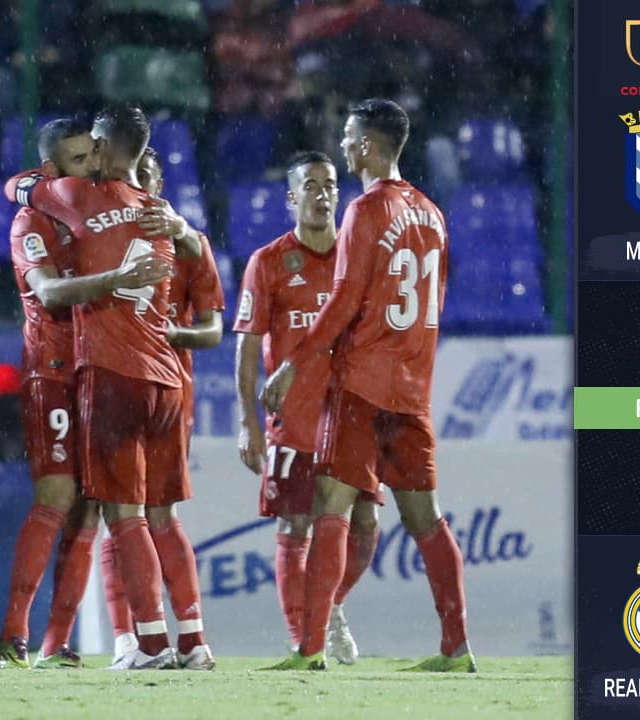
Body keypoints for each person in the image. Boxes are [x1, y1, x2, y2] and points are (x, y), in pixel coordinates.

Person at [261, 99, 473, 672]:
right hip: (413, 388)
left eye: (350, 136)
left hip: (362, 383)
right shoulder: (432, 214)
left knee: (331, 507)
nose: (344, 143)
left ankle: (308, 650)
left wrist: (293, 364)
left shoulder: (365, 210)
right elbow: (436, 304)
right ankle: (456, 648)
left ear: (367, 147)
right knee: (426, 518)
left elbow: (343, 300)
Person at [4, 104, 202, 670]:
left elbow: (14, 186)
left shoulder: (75, 199)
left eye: (93, 149)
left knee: (124, 516)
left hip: (111, 375)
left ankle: (149, 643)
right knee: (154, 517)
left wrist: (41, 182)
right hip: (168, 380)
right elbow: (205, 269)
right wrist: (185, 229)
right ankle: (190, 641)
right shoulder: (162, 215)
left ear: (107, 149)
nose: (87, 160)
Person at [233, 150, 380, 664]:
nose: (322, 194)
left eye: (330, 184)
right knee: (295, 525)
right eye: (310, 186)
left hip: (351, 413)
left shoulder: (359, 259)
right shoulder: (269, 262)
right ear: (292, 197)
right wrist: (249, 422)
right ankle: (305, 642)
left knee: (365, 525)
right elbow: (248, 345)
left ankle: (328, 607)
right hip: (293, 416)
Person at [98, 147, 222, 670]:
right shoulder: (113, 234)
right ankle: (136, 639)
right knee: (131, 518)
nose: (139, 193)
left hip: (165, 392)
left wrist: (172, 334)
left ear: (161, 183)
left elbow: (214, 330)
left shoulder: (186, 242)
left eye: (146, 178)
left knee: (143, 516)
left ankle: (169, 640)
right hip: (142, 387)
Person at [0, 118, 105, 670]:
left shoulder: (100, 210)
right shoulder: (30, 221)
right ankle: (14, 635)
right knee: (57, 497)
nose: (94, 168)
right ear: (54, 172)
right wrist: (113, 279)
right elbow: (49, 290)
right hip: (52, 370)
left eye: (94, 157)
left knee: (90, 509)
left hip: (99, 371)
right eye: (80, 160)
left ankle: (58, 643)